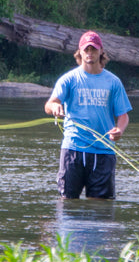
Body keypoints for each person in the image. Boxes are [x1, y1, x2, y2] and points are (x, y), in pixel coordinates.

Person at [44, 30, 132, 199]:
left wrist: (119, 130)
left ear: (101, 51)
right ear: (80, 52)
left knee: (101, 206)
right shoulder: (69, 79)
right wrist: (54, 107)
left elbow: (123, 116)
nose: (90, 53)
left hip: (104, 151)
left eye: (93, 49)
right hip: (73, 149)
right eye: (86, 50)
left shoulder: (113, 82)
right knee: (67, 202)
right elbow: (50, 104)